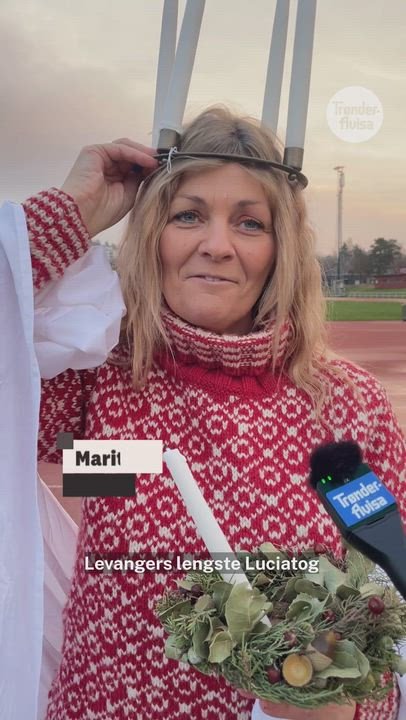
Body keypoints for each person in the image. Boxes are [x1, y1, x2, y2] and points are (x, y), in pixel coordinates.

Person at [24, 106, 405, 720]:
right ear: (153, 232)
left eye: (249, 223)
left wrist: (351, 706)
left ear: (281, 247)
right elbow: (104, 467)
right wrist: (64, 216)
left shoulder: (348, 407)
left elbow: (386, 590)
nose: (217, 245)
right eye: (188, 215)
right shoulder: (97, 377)